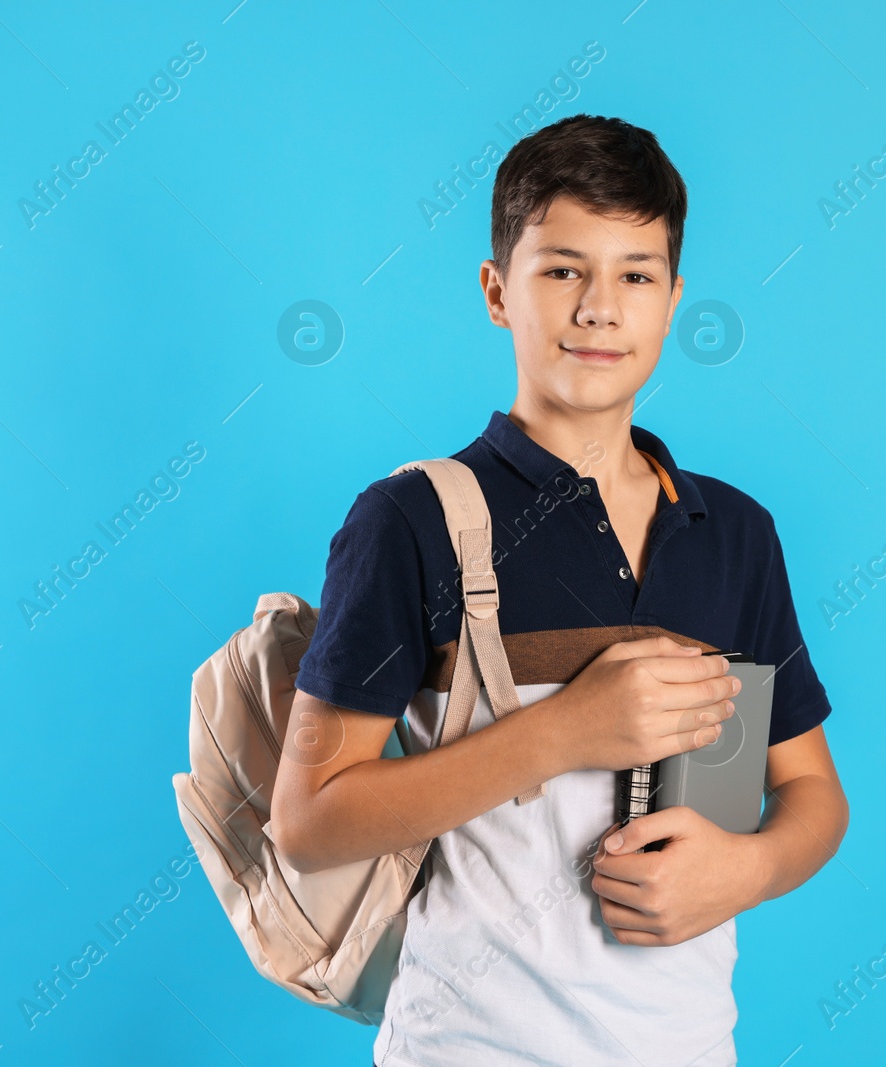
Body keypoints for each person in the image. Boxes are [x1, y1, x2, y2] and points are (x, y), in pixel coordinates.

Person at [270, 114, 848, 1066]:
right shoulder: (410, 520)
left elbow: (814, 795)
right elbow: (308, 821)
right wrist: (569, 730)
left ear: (673, 300)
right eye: (562, 269)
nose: (599, 307)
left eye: (636, 274)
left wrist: (746, 867)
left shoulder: (735, 532)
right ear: (498, 291)